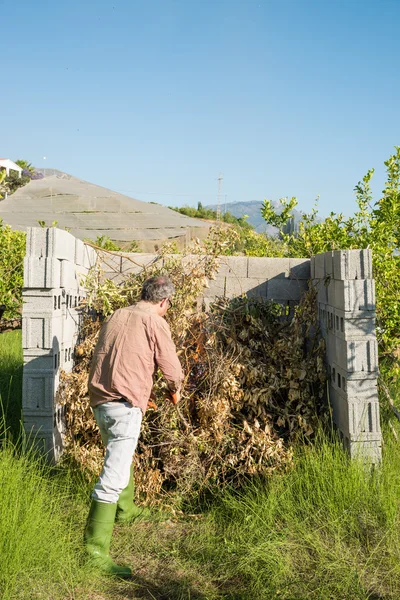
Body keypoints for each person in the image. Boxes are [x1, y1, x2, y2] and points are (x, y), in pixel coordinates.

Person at [84, 275, 184, 578]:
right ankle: (94, 552)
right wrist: (175, 388)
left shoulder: (118, 314)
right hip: (124, 405)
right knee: (112, 474)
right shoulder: (155, 322)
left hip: (101, 399)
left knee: (119, 455)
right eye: (168, 305)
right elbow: (171, 365)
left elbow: (117, 357)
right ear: (164, 302)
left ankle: (125, 512)